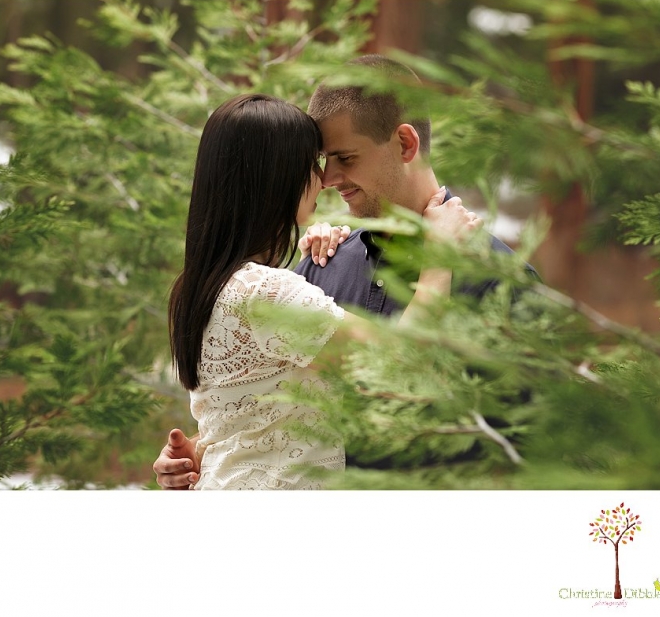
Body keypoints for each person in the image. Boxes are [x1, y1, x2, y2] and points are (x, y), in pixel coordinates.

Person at [154, 55, 535, 489]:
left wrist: (208, 451)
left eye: (344, 158)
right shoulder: (315, 268)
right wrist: (211, 450)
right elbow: (273, 418)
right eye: (318, 162)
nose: (328, 179)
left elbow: (536, 451)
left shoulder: (504, 284)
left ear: (406, 145)